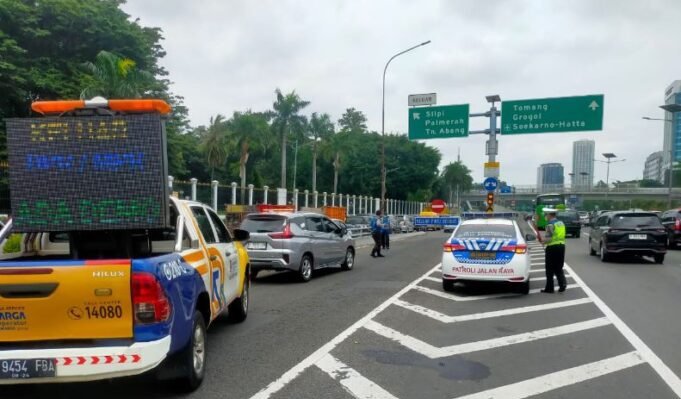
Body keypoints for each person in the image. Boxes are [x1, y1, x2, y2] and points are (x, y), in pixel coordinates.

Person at [541, 207, 567, 293]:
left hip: (552, 248)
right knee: (559, 267)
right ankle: (562, 284)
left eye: (546, 215)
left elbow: (549, 239)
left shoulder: (550, 225)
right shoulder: (561, 223)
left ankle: (550, 288)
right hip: (561, 246)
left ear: (549, 215)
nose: (545, 216)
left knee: (549, 269)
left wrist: (542, 241)